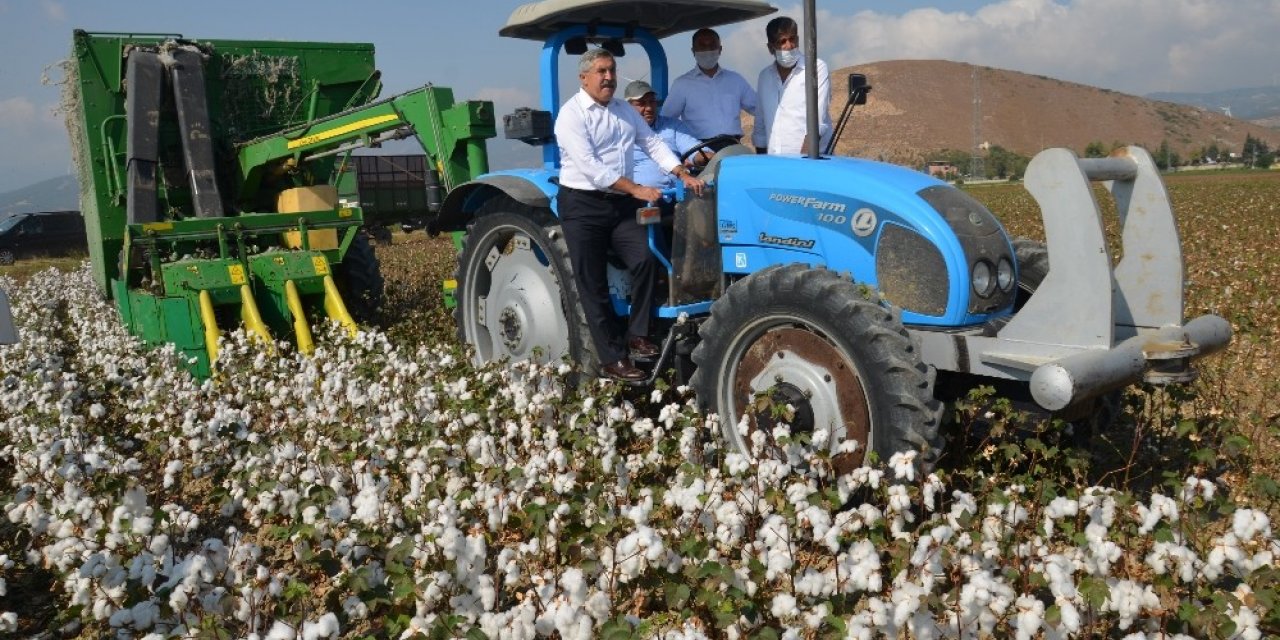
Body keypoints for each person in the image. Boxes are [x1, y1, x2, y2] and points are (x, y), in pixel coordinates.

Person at [554, 49, 705, 382]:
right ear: (584, 78)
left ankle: (638, 335)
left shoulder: (624, 110)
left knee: (646, 259)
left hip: (619, 205)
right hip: (583, 205)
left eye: (612, 70)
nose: (608, 77)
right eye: (601, 71)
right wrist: (635, 188)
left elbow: (651, 143)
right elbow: (590, 167)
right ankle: (612, 358)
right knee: (592, 285)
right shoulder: (571, 115)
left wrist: (681, 173)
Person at [752, 16, 832, 155]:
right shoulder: (764, 76)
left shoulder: (815, 69)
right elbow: (760, 124)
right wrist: (763, 163)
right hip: (775, 162)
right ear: (771, 48)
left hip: (810, 162)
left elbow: (817, 122)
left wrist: (802, 162)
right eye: (782, 41)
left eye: (792, 39)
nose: (789, 45)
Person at [661, 28, 757, 144]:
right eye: (702, 46)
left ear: (720, 49)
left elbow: (759, 108)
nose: (707, 50)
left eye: (712, 45)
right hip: (700, 150)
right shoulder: (682, 84)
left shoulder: (736, 80)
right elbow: (666, 121)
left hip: (733, 146)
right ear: (693, 51)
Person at [624, 80, 704, 189]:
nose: (649, 108)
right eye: (641, 103)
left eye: (652, 102)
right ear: (627, 107)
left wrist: (709, 157)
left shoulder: (673, 126)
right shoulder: (621, 133)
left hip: (679, 194)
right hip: (641, 199)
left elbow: (694, 150)